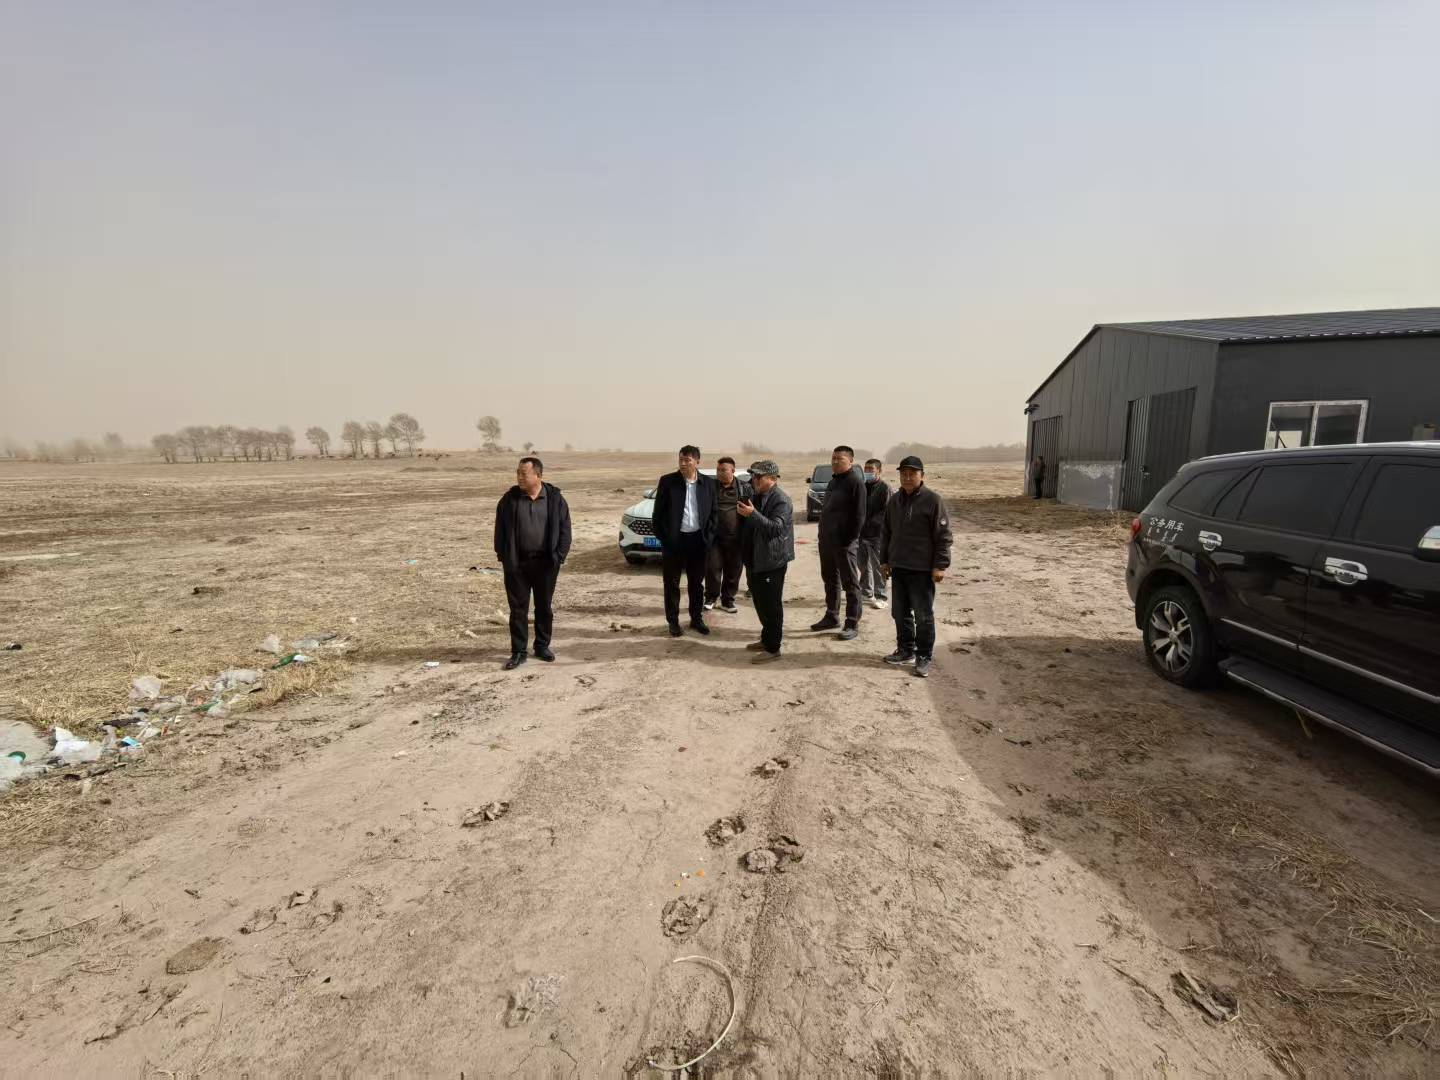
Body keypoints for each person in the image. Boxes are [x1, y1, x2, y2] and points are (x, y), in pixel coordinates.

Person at [493, 456, 572, 670]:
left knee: (544, 607)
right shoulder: (509, 500)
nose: (519, 477)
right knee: (518, 609)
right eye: (518, 473)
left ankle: (542, 646)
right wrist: (503, 556)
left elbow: (565, 530)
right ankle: (519, 651)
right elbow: (500, 531)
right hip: (517, 564)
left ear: (538, 475)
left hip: (546, 564)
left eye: (524, 473)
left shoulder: (555, 499)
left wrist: (559, 556)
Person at [880, 455, 953, 678]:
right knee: (899, 612)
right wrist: (884, 560)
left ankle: (924, 656)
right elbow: (886, 532)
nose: (907, 477)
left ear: (922, 476)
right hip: (899, 566)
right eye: (904, 474)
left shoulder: (933, 501)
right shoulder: (894, 501)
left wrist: (940, 565)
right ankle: (905, 650)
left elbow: (943, 536)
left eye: (912, 474)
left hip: (922, 569)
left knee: (923, 615)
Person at [652, 445, 718, 636]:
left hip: (698, 541)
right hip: (674, 542)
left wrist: (708, 538)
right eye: (680, 459)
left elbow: (714, 513)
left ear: (697, 461)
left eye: (687, 460)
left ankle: (696, 619)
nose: (682, 463)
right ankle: (673, 622)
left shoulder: (708, 484)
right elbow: (658, 515)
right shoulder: (667, 482)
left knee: (696, 584)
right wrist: (666, 538)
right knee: (671, 584)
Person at [738, 460, 794, 662]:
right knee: (760, 603)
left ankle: (773, 648)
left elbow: (776, 529)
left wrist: (752, 514)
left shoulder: (781, 500)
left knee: (771, 606)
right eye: (753, 476)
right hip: (755, 559)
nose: (754, 480)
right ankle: (766, 638)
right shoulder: (757, 496)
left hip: (771, 562)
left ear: (772, 478)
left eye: (758, 477)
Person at [812, 445, 867, 640]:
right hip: (827, 541)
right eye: (833, 458)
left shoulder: (855, 483)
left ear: (850, 461)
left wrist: (848, 539)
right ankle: (831, 616)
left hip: (845, 543)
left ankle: (851, 623)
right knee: (830, 580)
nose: (835, 462)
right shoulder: (833, 482)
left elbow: (859, 516)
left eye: (839, 459)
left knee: (850, 583)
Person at [704, 456, 752, 614]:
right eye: (718, 470)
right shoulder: (710, 487)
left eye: (723, 470)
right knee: (712, 569)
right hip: (715, 539)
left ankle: (728, 601)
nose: (719, 473)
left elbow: (752, 510)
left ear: (733, 471)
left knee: (733, 572)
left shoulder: (744, 488)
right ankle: (710, 598)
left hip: (736, 539)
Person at [859, 458, 891, 610]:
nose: (868, 472)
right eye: (866, 469)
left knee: (878, 567)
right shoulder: (863, 487)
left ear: (879, 471)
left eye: (871, 469)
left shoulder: (885, 488)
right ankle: (866, 592)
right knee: (863, 565)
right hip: (861, 533)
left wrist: (873, 523)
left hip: (877, 535)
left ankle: (881, 596)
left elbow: (887, 512)